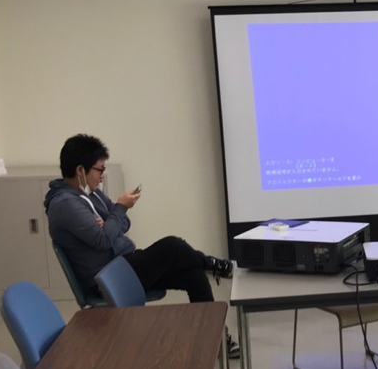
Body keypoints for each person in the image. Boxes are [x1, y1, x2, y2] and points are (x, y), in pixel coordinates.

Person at [45, 134, 239, 356]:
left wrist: (110, 221)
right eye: (99, 169)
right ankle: (211, 264)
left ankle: (214, 338)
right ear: (80, 170)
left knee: (193, 274)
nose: (102, 176)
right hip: (107, 278)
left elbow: (123, 223)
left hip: (125, 264)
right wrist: (117, 211)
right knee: (172, 246)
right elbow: (104, 238)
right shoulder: (65, 204)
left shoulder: (91, 194)